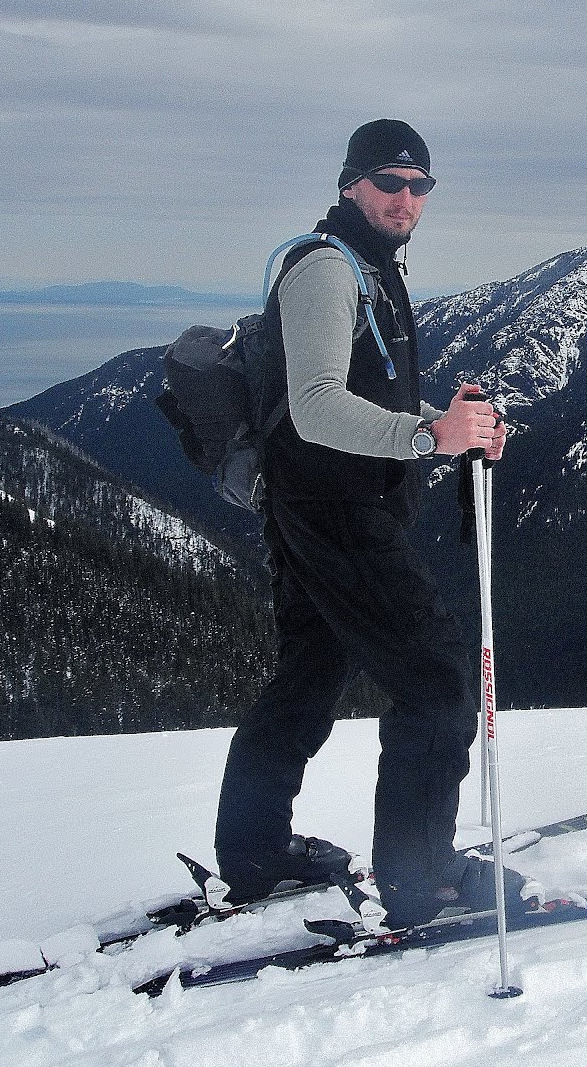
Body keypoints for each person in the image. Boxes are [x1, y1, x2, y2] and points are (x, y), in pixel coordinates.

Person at [213, 119, 529, 927]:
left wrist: (447, 425)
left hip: (313, 503)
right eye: (389, 182)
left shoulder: (369, 267)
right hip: (338, 510)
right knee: (436, 682)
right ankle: (421, 876)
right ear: (352, 183)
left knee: (308, 679)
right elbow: (318, 408)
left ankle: (254, 854)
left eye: (420, 185)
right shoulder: (328, 271)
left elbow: (369, 397)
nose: (406, 198)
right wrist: (430, 438)